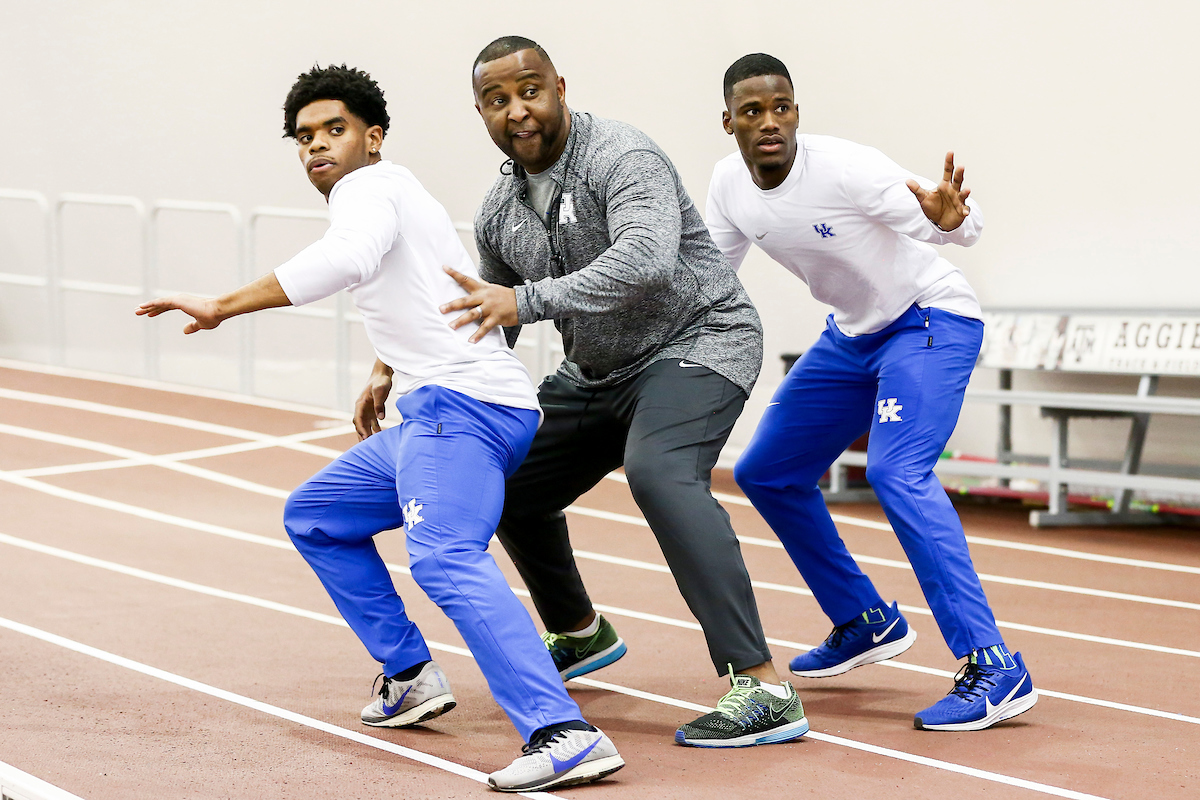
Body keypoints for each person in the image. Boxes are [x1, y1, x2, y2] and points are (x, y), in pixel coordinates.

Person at [136, 64, 623, 792]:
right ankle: (410, 675)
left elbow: (348, 259)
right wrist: (384, 370)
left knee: (444, 557)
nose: (317, 147)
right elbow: (416, 290)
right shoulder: (395, 193)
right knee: (318, 516)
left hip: (464, 407)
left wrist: (222, 304)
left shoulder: (368, 189)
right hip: (443, 404)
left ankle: (563, 732)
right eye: (304, 138)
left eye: (334, 130)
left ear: (374, 138)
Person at [413, 33, 805, 748]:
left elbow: (647, 261)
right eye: (497, 100)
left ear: (560, 87)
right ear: (480, 112)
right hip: (598, 370)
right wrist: (406, 368)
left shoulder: (621, 155)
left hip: (698, 339)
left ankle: (763, 685)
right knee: (508, 480)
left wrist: (525, 300)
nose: (517, 110)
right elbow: (488, 315)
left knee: (659, 473)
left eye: (529, 90)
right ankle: (579, 631)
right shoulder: (501, 207)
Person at [705, 53, 1037, 731]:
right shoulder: (729, 186)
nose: (770, 122)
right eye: (753, 111)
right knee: (766, 471)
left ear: (796, 111)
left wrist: (948, 218)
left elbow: (960, 225)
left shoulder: (846, 167)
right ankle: (864, 619)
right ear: (729, 122)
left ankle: (994, 665)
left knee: (896, 470)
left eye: (782, 107)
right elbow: (709, 280)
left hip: (929, 319)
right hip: (854, 337)